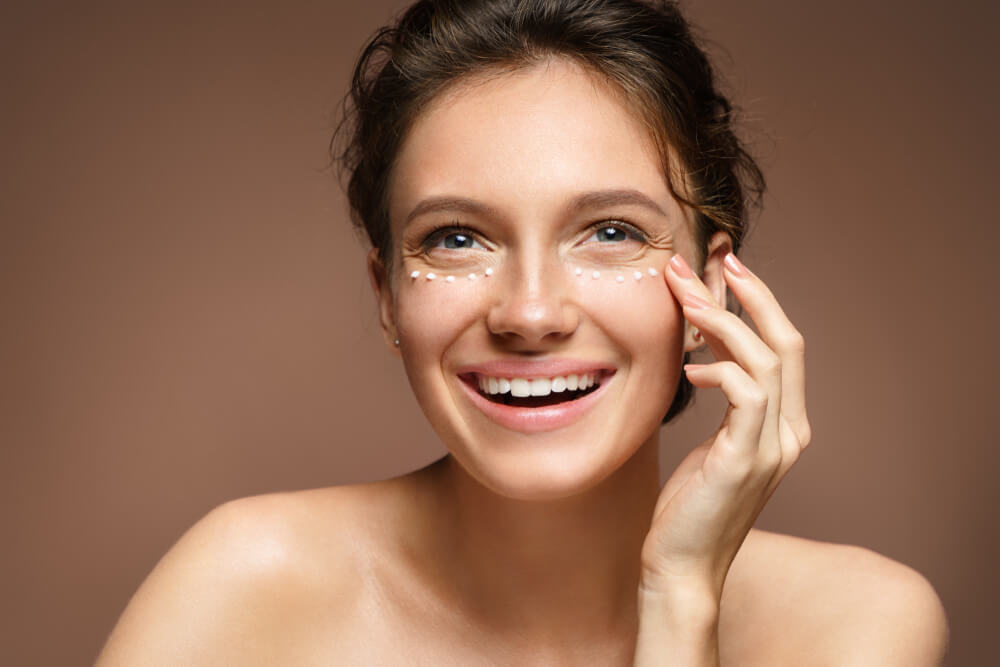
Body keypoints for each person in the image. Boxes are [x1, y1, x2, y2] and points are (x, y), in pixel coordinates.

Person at [96, 0, 949, 664]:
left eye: (611, 231)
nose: (530, 313)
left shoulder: (861, 623)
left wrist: (681, 598)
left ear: (714, 287)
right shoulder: (243, 587)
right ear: (388, 294)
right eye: (456, 239)